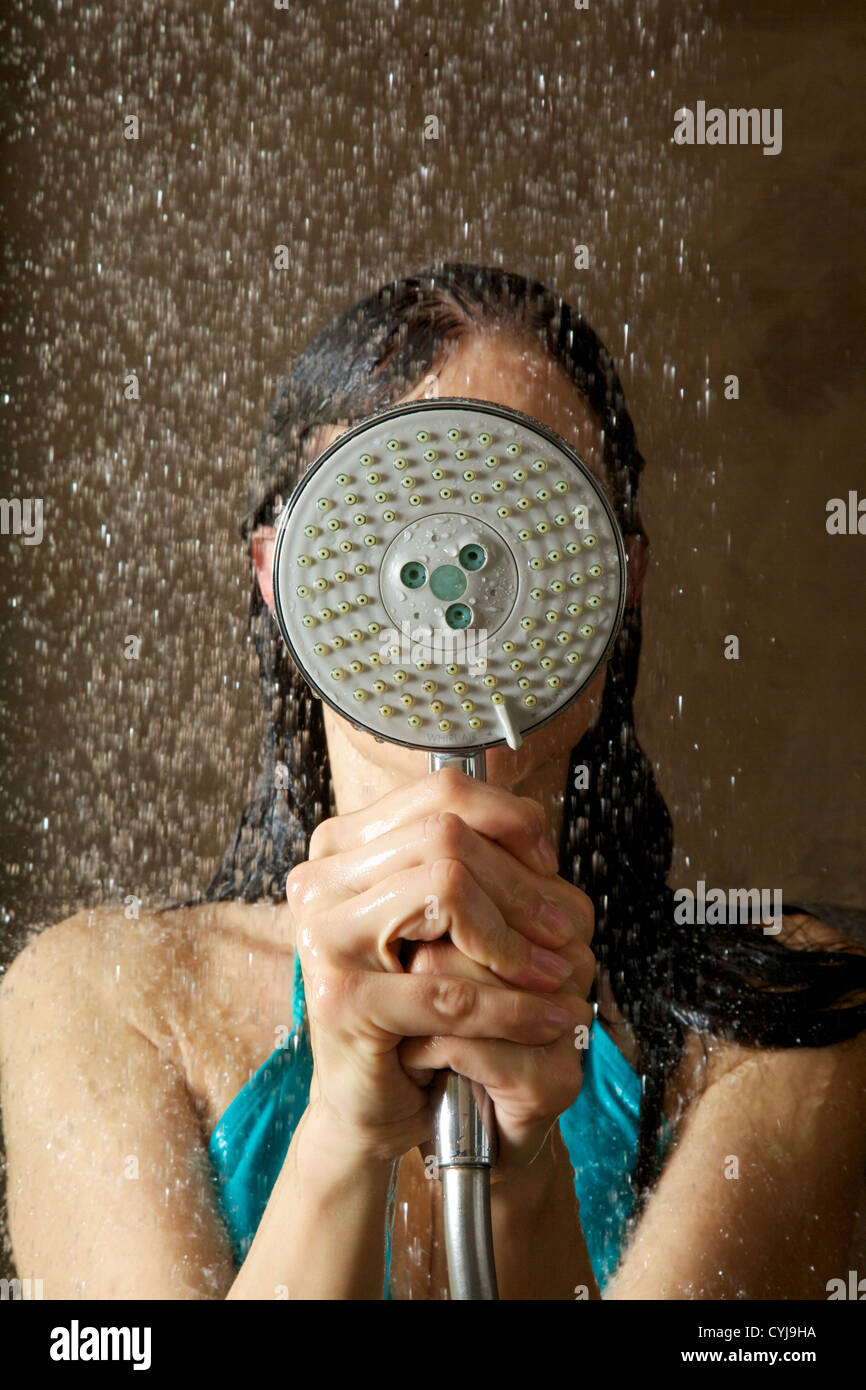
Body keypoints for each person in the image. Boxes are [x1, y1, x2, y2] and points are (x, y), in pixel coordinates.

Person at [2, 264, 865, 1301]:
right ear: (281, 577)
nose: (464, 587)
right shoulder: (99, 996)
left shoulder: (778, 1021)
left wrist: (522, 1173)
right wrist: (338, 1139)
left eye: (527, 514)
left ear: (619, 582)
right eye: (384, 508)